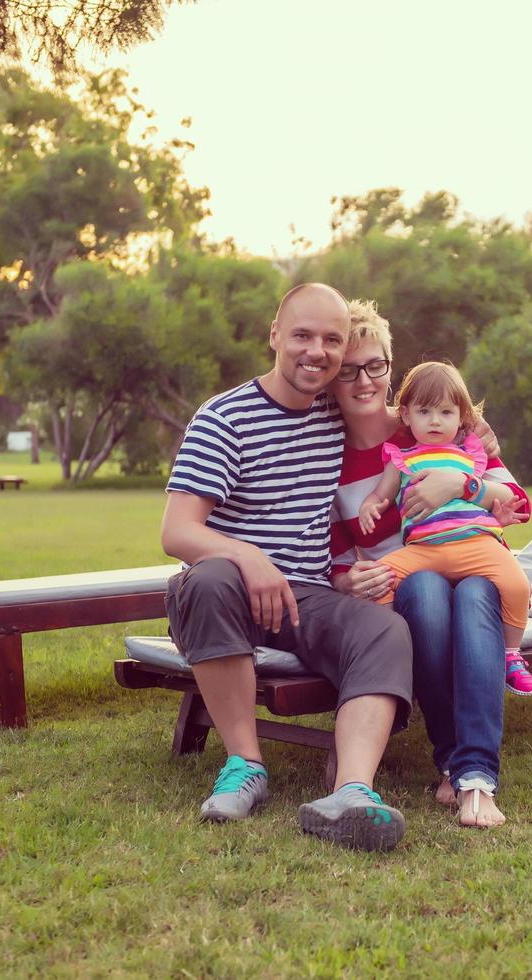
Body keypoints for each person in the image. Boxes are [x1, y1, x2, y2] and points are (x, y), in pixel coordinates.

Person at [160, 282, 412, 852]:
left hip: (305, 596)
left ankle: (350, 791)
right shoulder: (224, 418)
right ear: (275, 335)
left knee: (384, 628)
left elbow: (414, 418)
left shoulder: (334, 409)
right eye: (302, 335)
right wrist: (251, 556)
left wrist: (477, 437)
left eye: (331, 341)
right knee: (212, 576)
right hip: (222, 594)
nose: (315, 351)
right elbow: (176, 533)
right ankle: (245, 765)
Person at [328, 300, 531, 828]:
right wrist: (349, 579)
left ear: (391, 371)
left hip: (475, 566)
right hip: (400, 589)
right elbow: (330, 556)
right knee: (426, 591)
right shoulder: (325, 456)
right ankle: (453, 761)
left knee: (472, 594)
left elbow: (517, 504)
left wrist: (461, 484)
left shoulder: (442, 421)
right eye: (347, 370)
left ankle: (475, 777)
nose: (364, 380)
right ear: (330, 376)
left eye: (375, 366)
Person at [356, 361, 532, 697]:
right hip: (423, 550)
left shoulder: (471, 454)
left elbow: (502, 498)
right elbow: (380, 494)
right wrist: (370, 505)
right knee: (378, 579)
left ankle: (512, 656)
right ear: (407, 415)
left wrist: (500, 511)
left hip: (475, 544)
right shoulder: (401, 459)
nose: (435, 421)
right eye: (425, 411)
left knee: (517, 584)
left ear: (461, 418)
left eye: (445, 411)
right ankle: (392, 653)